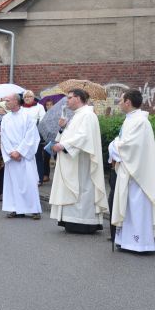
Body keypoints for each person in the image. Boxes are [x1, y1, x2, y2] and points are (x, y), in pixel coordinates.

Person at [109, 90, 155, 252]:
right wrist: (116, 144)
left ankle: (141, 243)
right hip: (129, 171)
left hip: (138, 175)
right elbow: (124, 142)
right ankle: (127, 241)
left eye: (121, 100)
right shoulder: (131, 119)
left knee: (137, 206)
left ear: (128, 102)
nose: (119, 103)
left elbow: (130, 146)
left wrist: (113, 146)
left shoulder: (140, 122)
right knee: (129, 207)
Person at [50, 89, 108, 234]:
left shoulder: (88, 115)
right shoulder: (77, 116)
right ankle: (71, 221)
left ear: (78, 98)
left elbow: (83, 137)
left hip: (82, 163)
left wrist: (63, 145)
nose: (67, 101)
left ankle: (84, 223)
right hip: (72, 160)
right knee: (74, 189)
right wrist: (63, 128)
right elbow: (69, 135)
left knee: (82, 189)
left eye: (69, 98)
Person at [0, 93, 42, 219]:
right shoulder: (6, 118)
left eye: (8, 100)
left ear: (16, 101)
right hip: (12, 157)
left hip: (24, 156)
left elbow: (31, 136)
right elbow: (4, 137)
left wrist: (20, 152)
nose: (5, 103)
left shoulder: (27, 116)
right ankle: (15, 208)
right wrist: (10, 152)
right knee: (13, 184)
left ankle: (34, 209)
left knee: (29, 182)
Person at [22, 90, 46, 186]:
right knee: (26, 157)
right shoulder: (21, 109)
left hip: (36, 134)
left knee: (38, 157)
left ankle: (39, 178)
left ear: (33, 97)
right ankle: (27, 178)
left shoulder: (39, 107)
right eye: (25, 97)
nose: (27, 99)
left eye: (29, 96)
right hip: (24, 135)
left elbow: (43, 119)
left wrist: (35, 124)